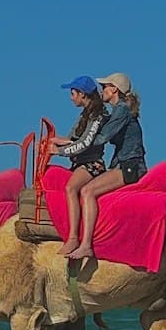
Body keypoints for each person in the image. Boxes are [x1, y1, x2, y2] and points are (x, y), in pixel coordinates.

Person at [67, 72, 147, 261]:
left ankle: (86, 244)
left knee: (87, 191)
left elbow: (102, 138)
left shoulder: (121, 110)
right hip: (122, 163)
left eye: (105, 87)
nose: (102, 91)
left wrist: (70, 148)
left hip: (130, 165)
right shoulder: (118, 111)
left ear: (114, 90)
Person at [48, 75, 109, 256]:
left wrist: (58, 151)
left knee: (70, 188)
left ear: (82, 94)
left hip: (91, 164)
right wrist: (54, 141)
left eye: (73, 93)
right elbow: (73, 139)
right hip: (80, 162)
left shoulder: (98, 115)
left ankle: (74, 238)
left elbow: (84, 143)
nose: (71, 97)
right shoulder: (85, 114)